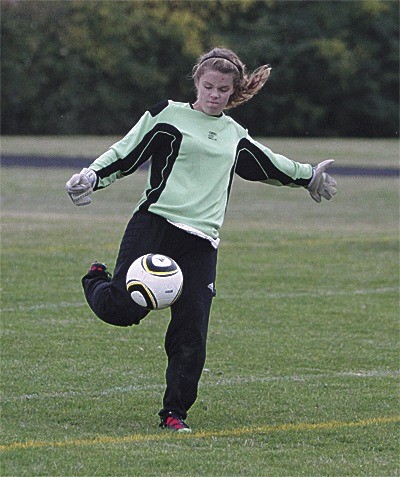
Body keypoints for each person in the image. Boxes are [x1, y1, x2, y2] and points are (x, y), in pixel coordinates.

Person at [65, 46, 337, 433]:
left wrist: (309, 175)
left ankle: (174, 413)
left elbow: (269, 164)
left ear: (233, 91)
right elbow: (126, 152)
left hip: (200, 243)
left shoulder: (234, 135)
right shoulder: (168, 115)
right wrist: (91, 176)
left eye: (223, 89)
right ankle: (95, 278)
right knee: (124, 310)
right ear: (196, 82)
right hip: (155, 225)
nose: (214, 94)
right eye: (208, 86)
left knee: (191, 331)